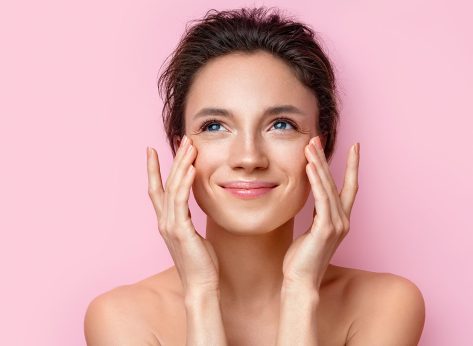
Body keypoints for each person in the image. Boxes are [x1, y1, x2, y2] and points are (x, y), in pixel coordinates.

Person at [84, 7, 425, 345]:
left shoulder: (386, 306)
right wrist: (200, 295)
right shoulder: (122, 318)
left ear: (322, 147)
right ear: (180, 151)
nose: (249, 158)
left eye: (281, 125)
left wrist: (300, 291)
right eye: (214, 126)